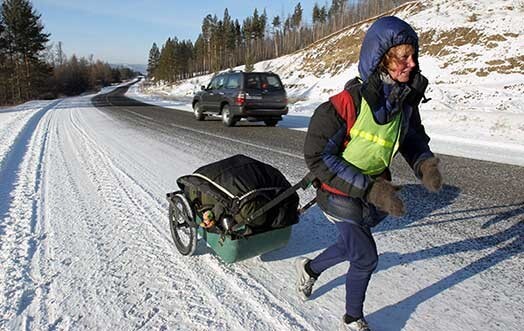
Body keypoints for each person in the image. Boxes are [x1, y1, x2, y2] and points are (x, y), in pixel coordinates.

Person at [295, 16, 443, 331]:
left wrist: (424, 163)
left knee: (351, 246)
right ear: (381, 59)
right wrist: (372, 189)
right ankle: (352, 318)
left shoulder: (403, 104)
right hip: (337, 193)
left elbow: (412, 138)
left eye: (413, 56)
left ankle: (310, 268)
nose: (411, 64)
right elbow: (318, 156)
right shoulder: (345, 105)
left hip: (372, 190)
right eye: (403, 57)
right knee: (364, 257)